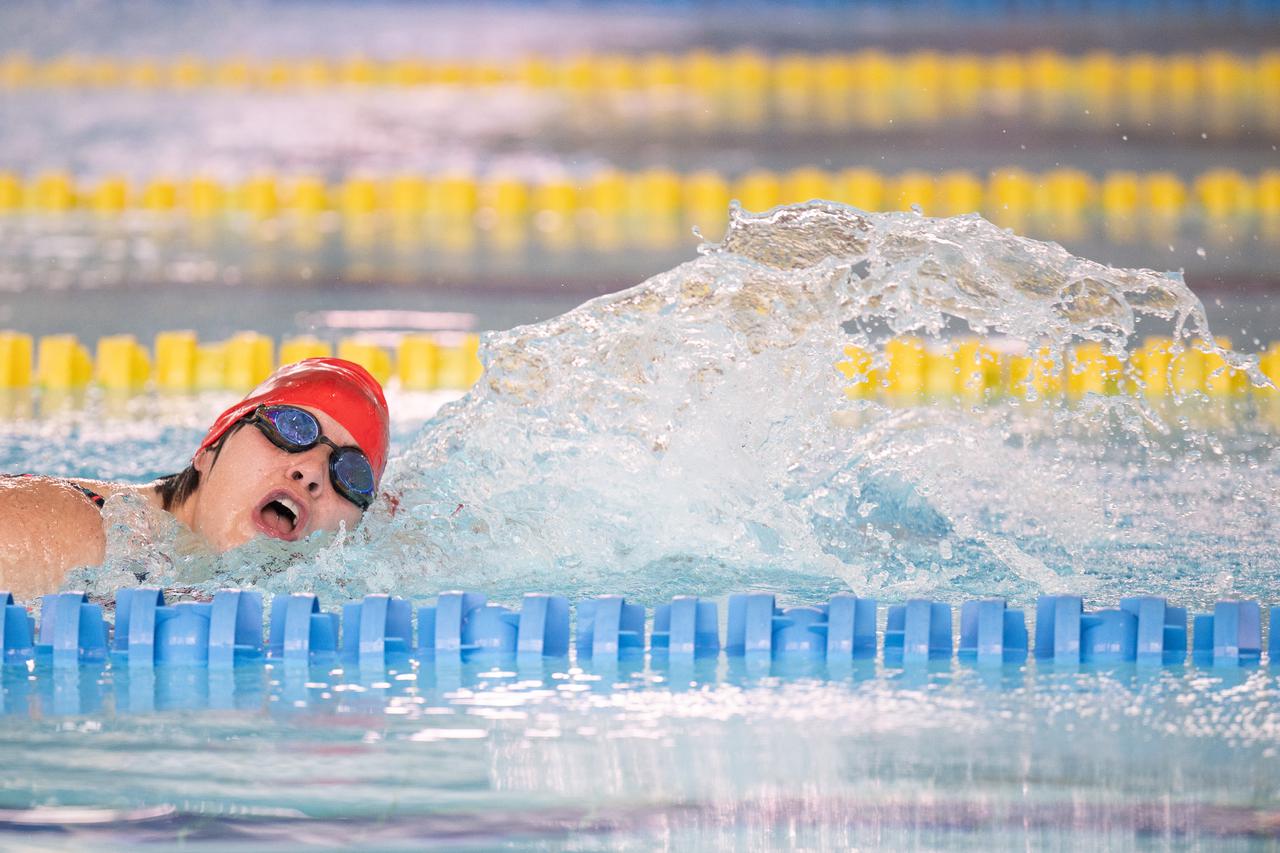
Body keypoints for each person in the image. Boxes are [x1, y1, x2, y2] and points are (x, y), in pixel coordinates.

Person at [0, 358, 390, 599]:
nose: (313, 472)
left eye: (350, 473)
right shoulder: (62, 524)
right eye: (292, 428)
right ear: (210, 448)